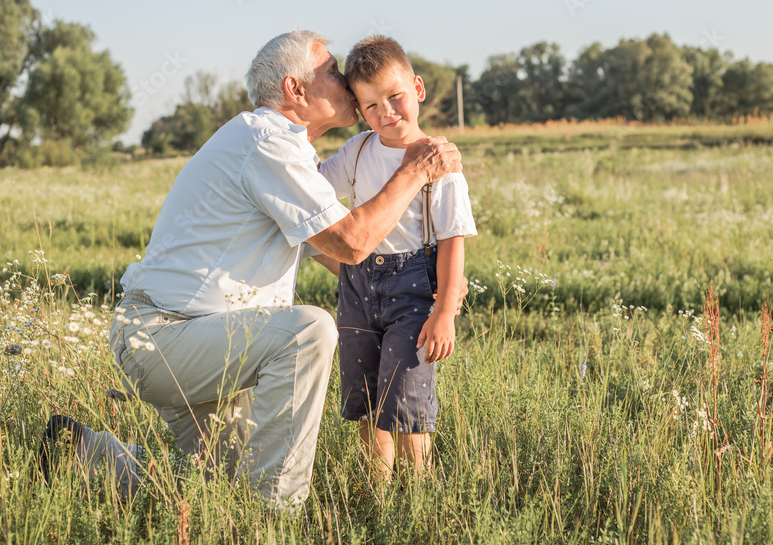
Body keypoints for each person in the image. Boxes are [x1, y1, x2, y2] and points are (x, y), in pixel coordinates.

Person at [38, 29, 462, 507]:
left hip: (206, 342)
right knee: (311, 331)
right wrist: (414, 169)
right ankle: (276, 516)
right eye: (330, 72)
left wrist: (427, 290)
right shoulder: (267, 143)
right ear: (295, 89)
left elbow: (340, 258)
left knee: (216, 489)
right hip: (168, 337)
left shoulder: (285, 153)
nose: (344, 80)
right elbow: (352, 244)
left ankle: (85, 452)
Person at [318, 36, 476, 480]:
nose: (386, 112)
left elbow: (452, 241)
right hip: (356, 289)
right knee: (366, 400)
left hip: (413, 292)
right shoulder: (359, 151)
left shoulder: (439, 162)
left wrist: (444, 310)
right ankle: (379, 494)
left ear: (418, 88)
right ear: (359, 111)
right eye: (370, 106)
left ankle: (417, 495)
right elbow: (313, 188)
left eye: (395, 97)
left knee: (406, 398)